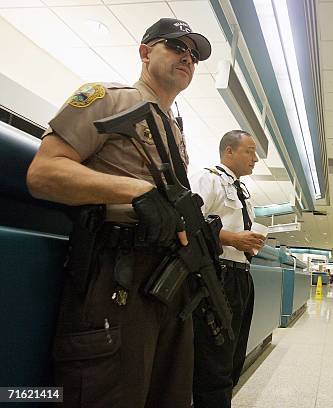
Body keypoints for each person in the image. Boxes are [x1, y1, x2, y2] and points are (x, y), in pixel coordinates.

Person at [26, 18, 211, 407]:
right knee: (109, 393)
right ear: (145, 52)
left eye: (194, 55)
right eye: (176, 46)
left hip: (168, 279)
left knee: (169, 395)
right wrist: (133, 190)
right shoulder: (108, 98)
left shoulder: (173, 128)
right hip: (118, 273)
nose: (188, 58)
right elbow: (44, 173)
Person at [189, 130, 265, 408]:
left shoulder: (242, 190)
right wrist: (233, 239)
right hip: (216, 276)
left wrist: (249, 243)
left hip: (241, 275)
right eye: (250, 151)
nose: (255, 159)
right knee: (214, 359)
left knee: (233, 357)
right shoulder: (207, 179)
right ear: (229, 151)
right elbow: (188, 222)